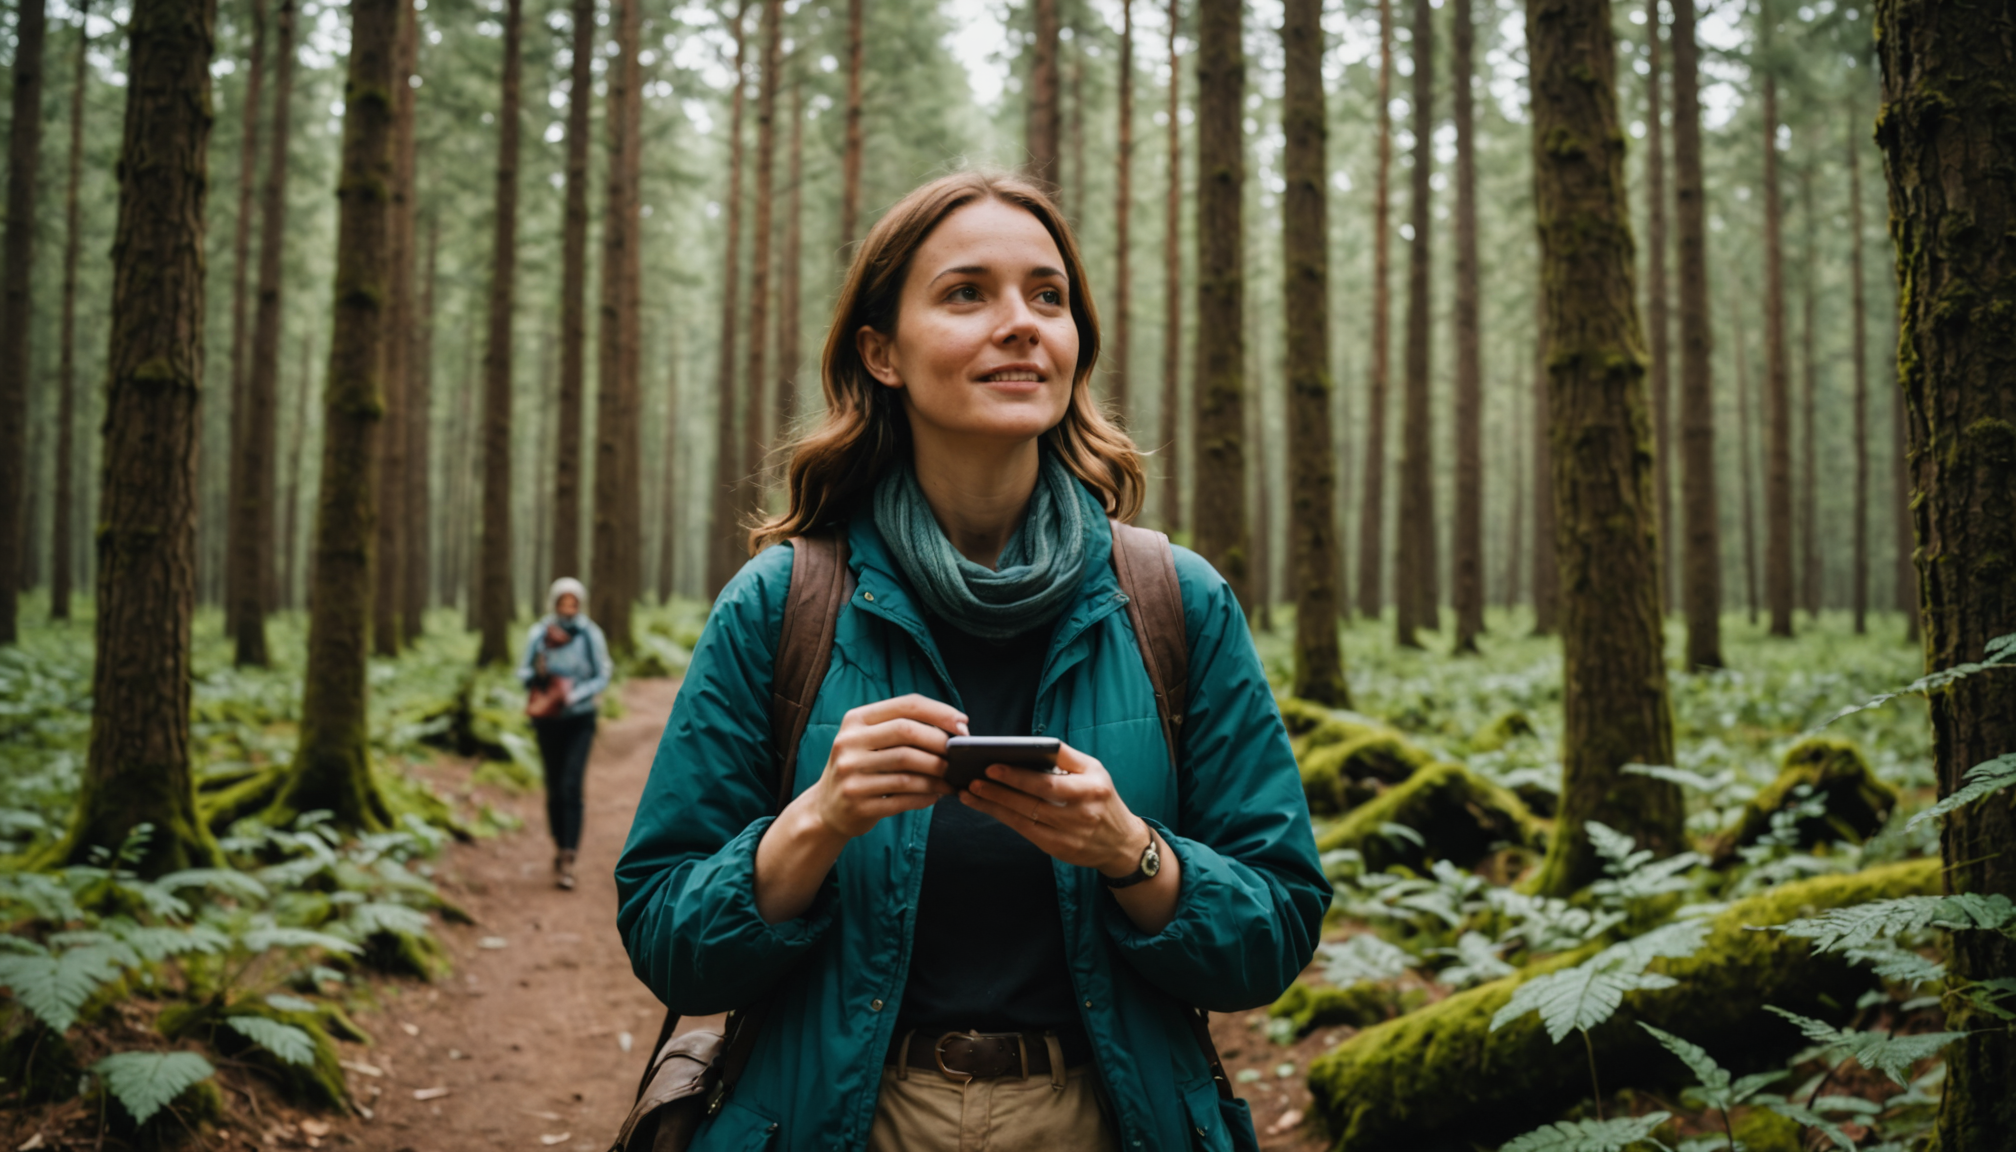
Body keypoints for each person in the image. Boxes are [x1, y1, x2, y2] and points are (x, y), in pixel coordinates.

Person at [616, 171, 1326, 1151]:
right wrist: (818, 819)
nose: (1022, 323)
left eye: (1048, 296)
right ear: (881, 352)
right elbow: (668, 942)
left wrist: (1132, 852)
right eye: (966, 293)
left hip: (1110, 1123)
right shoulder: (784, 605)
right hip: (839, 1125)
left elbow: (1276, 930)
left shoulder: (1177, 600)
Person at [518, 576, 612, 890]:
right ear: (554, 603)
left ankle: (570, 855)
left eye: (573, 602)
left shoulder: (590, 634)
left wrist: (575, 694)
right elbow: (523, 673)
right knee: (554, 786)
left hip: (580, 719)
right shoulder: (539, 633)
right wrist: (538, 674)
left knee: (572, 784)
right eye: (563, 602)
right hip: (547, 719)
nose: (568, 608)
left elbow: (603, 673)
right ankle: (559, 845)